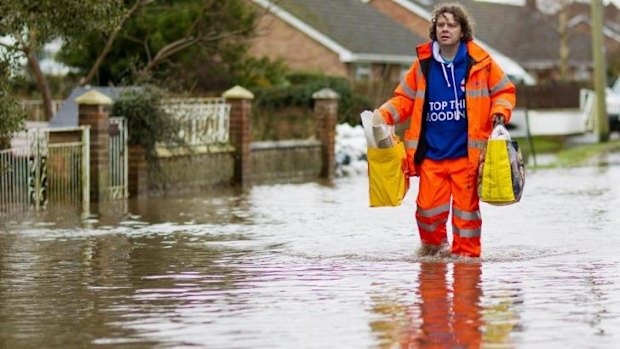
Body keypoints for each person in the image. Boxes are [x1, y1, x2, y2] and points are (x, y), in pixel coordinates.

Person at [374, 2, 516, 258]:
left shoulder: (480, 61)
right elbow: (404, 99)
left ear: (463, 30)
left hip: (467, 157)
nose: (445, 29)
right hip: (432, 156)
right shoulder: (423, 64)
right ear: (434, 29)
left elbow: (504, 91)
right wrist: (383, 115)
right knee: (427, 212)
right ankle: (434, 250)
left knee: (466, 217)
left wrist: (500, 112)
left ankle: (467, 264)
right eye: (440, 25)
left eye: (451, 25)